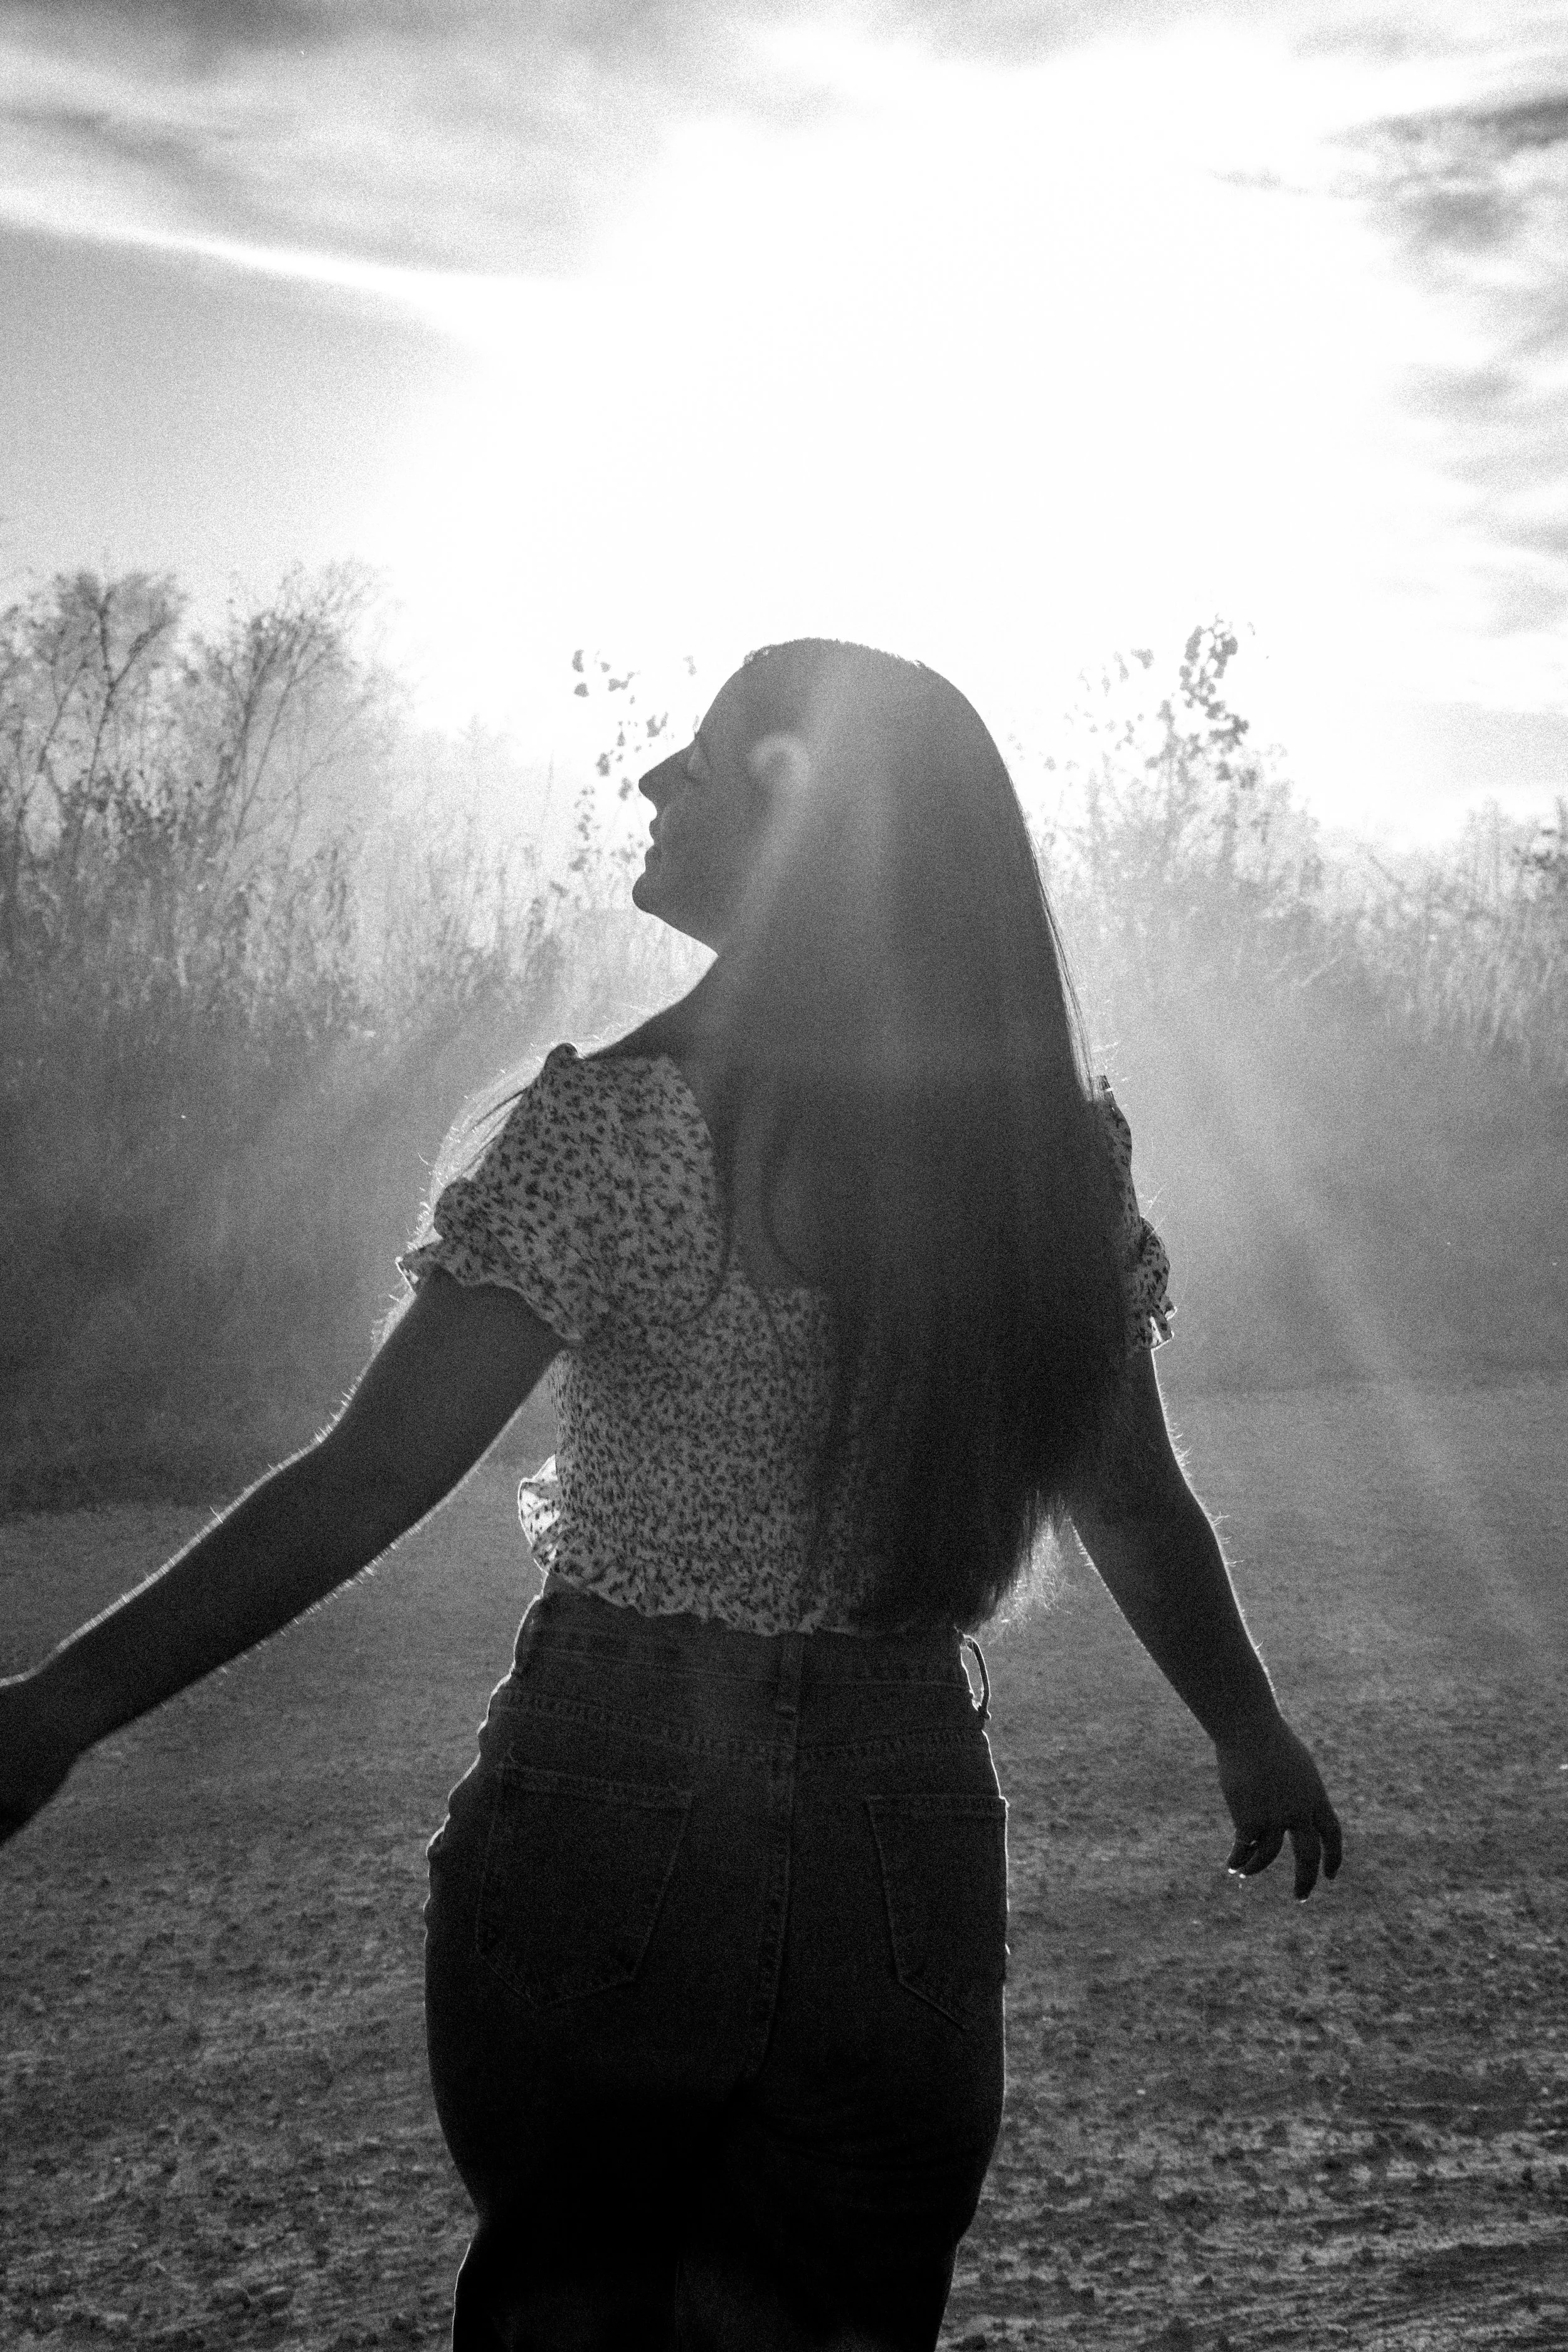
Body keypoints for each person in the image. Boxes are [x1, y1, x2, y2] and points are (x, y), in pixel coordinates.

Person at [0, 638, 1342, 2350]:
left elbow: (366, 1482)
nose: (652, 785)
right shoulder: (1038, 1165)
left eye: (700, 756)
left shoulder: (619, 1133)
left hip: (607, 1811)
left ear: (790, 805)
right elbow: (1134, 1501)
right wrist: (1246, 1724)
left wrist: (66, 1702)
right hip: (895, 1831)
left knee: (574, 2312)